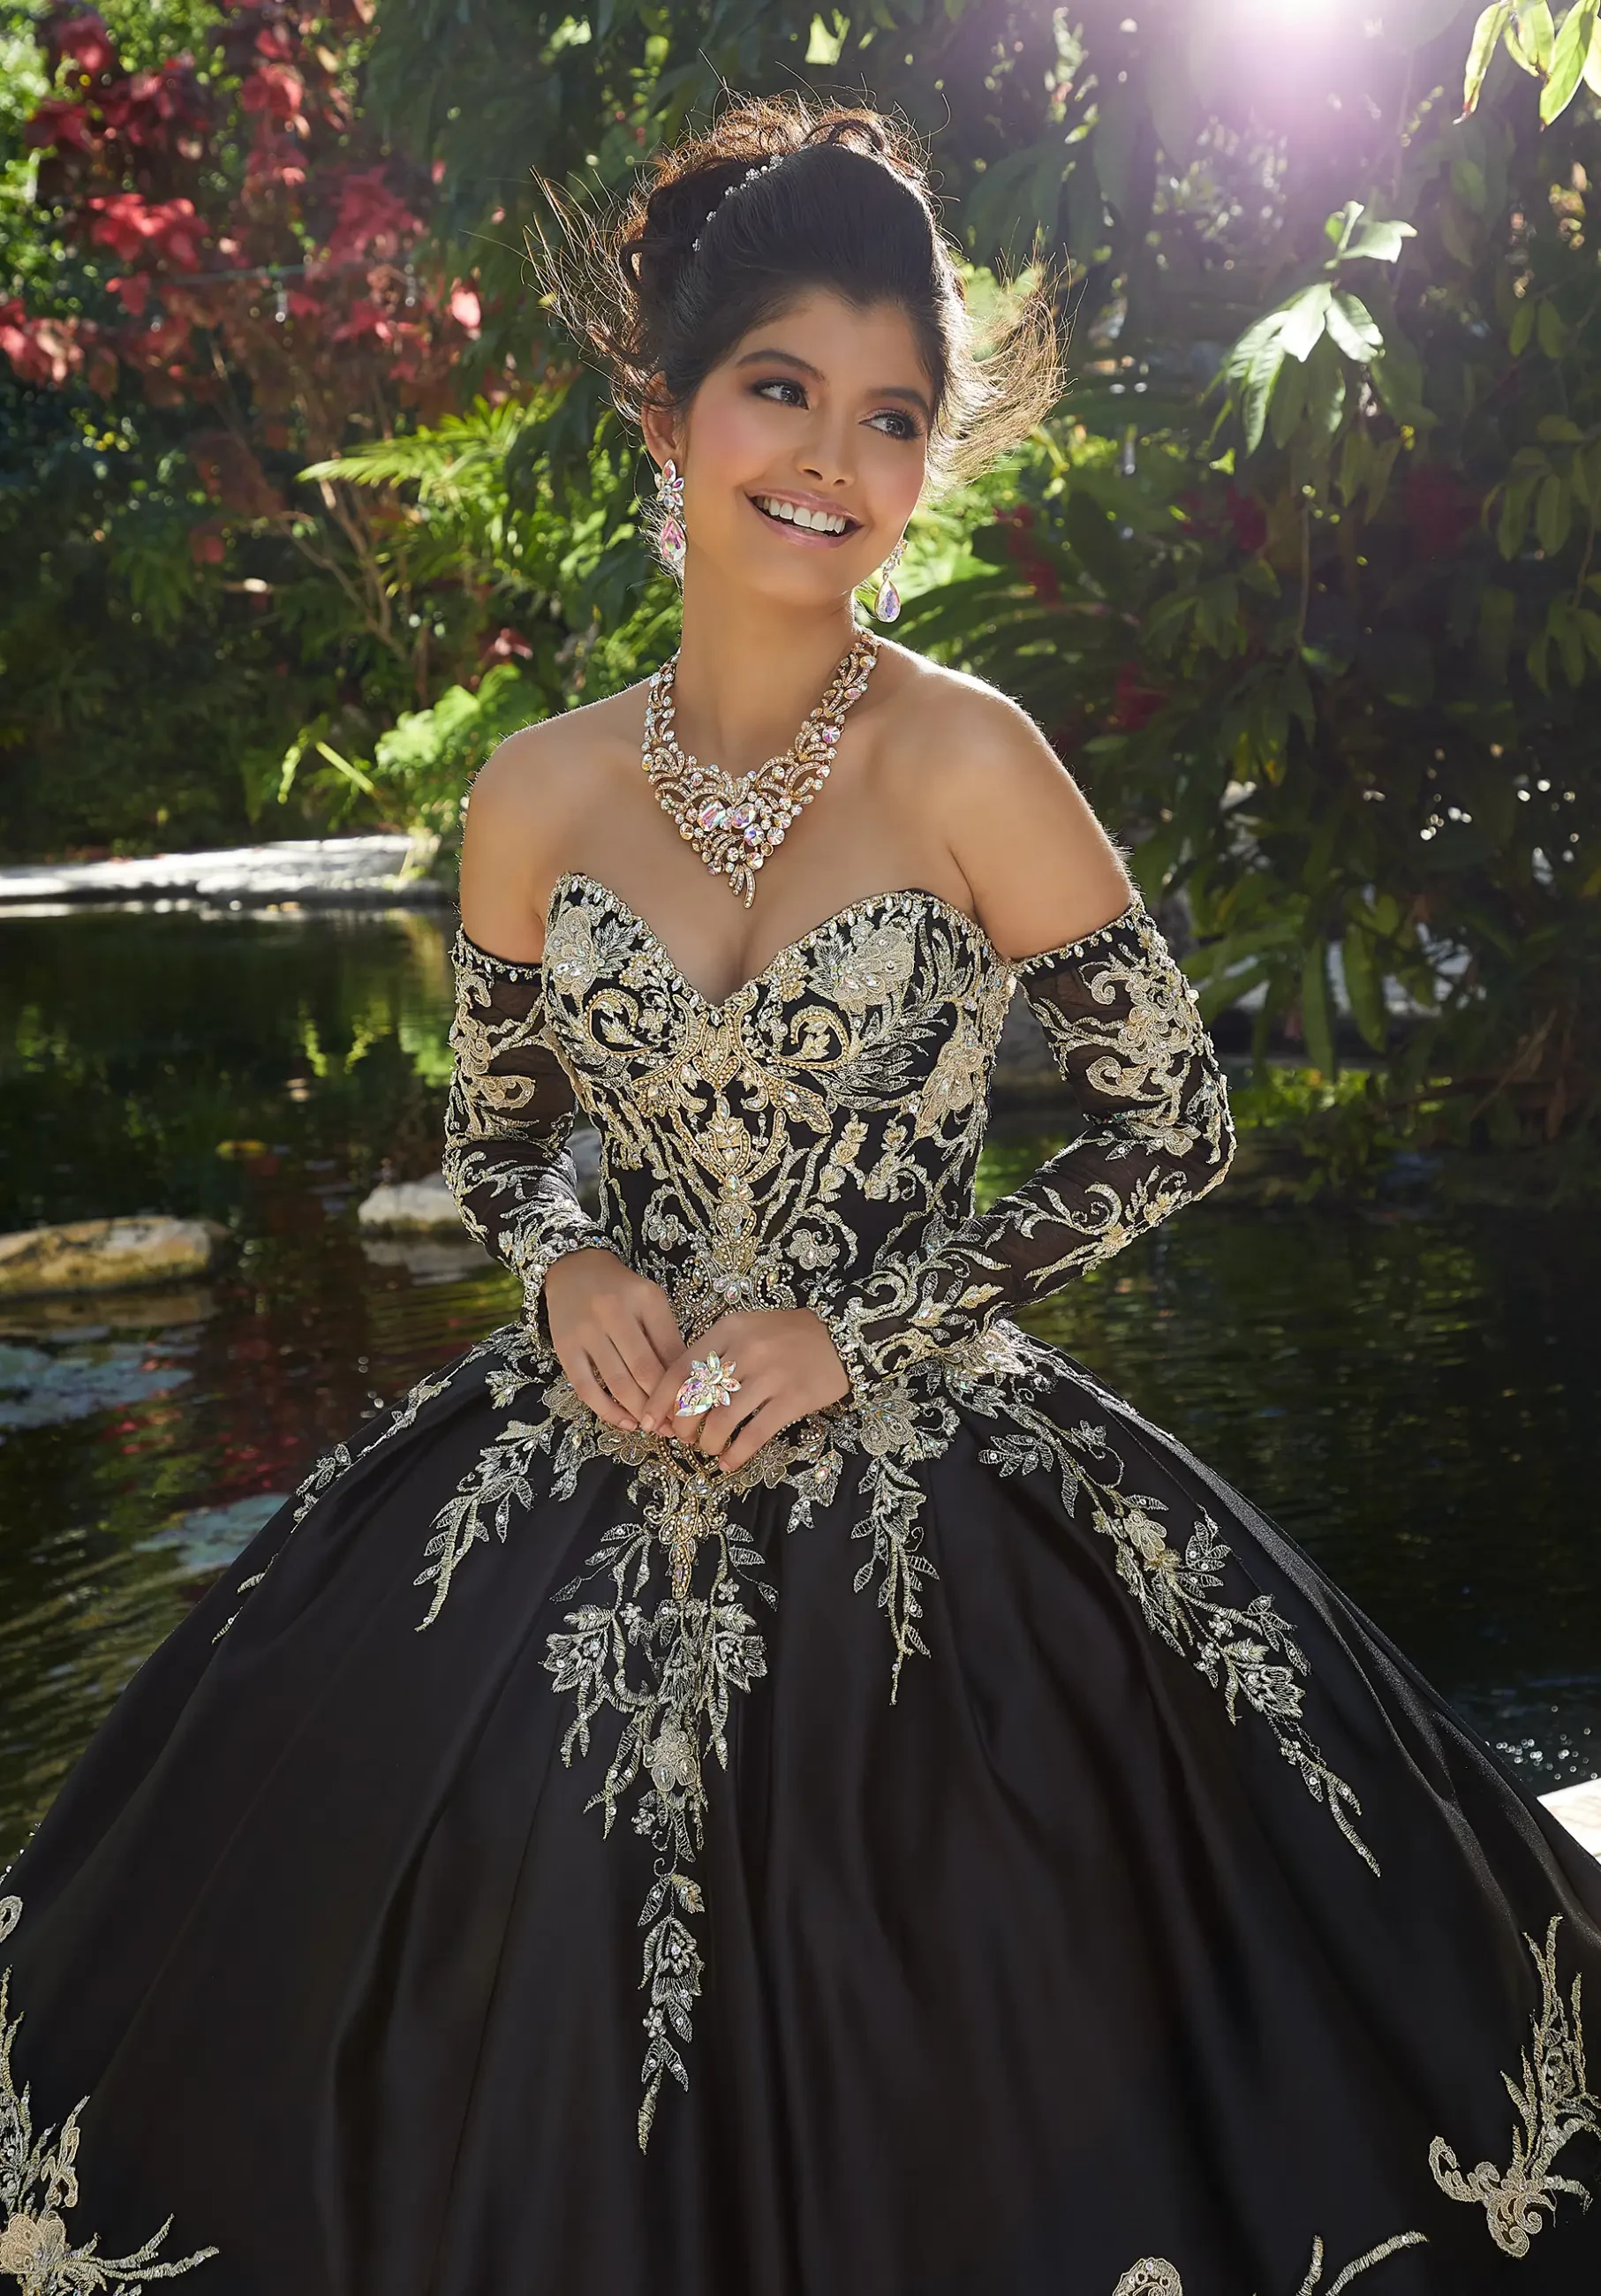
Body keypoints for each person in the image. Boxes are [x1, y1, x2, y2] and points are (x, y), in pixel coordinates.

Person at [2, 94, 1597, 2296]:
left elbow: (1173, 1121)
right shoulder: (535, 793)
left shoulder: (968, 754)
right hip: (594, 1427)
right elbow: (501, 1136)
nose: (834, 459)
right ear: (669, 414)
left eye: (893, 415)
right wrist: (566, 1259)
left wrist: (867, 1324)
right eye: (781, 388)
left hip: (923, 1434)